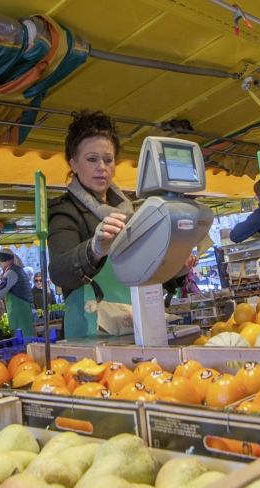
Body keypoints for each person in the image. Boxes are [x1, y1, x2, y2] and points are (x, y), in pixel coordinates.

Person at [47, 110, 197, 339]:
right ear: (73, 164)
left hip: (137, 324)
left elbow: (147, 274)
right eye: (91, 159)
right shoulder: (65, 210)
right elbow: (59, 271)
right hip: (91, 332)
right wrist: (94, 251)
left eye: (108, 159)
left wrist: (177, 269)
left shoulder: (132, 212)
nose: (101, 167)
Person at [0, 250, 35, 337]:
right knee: (27, 336)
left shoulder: (10, 273)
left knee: (22, 339)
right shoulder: (19, 270)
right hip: (23, 310)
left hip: (19, 311)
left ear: (4, 261)